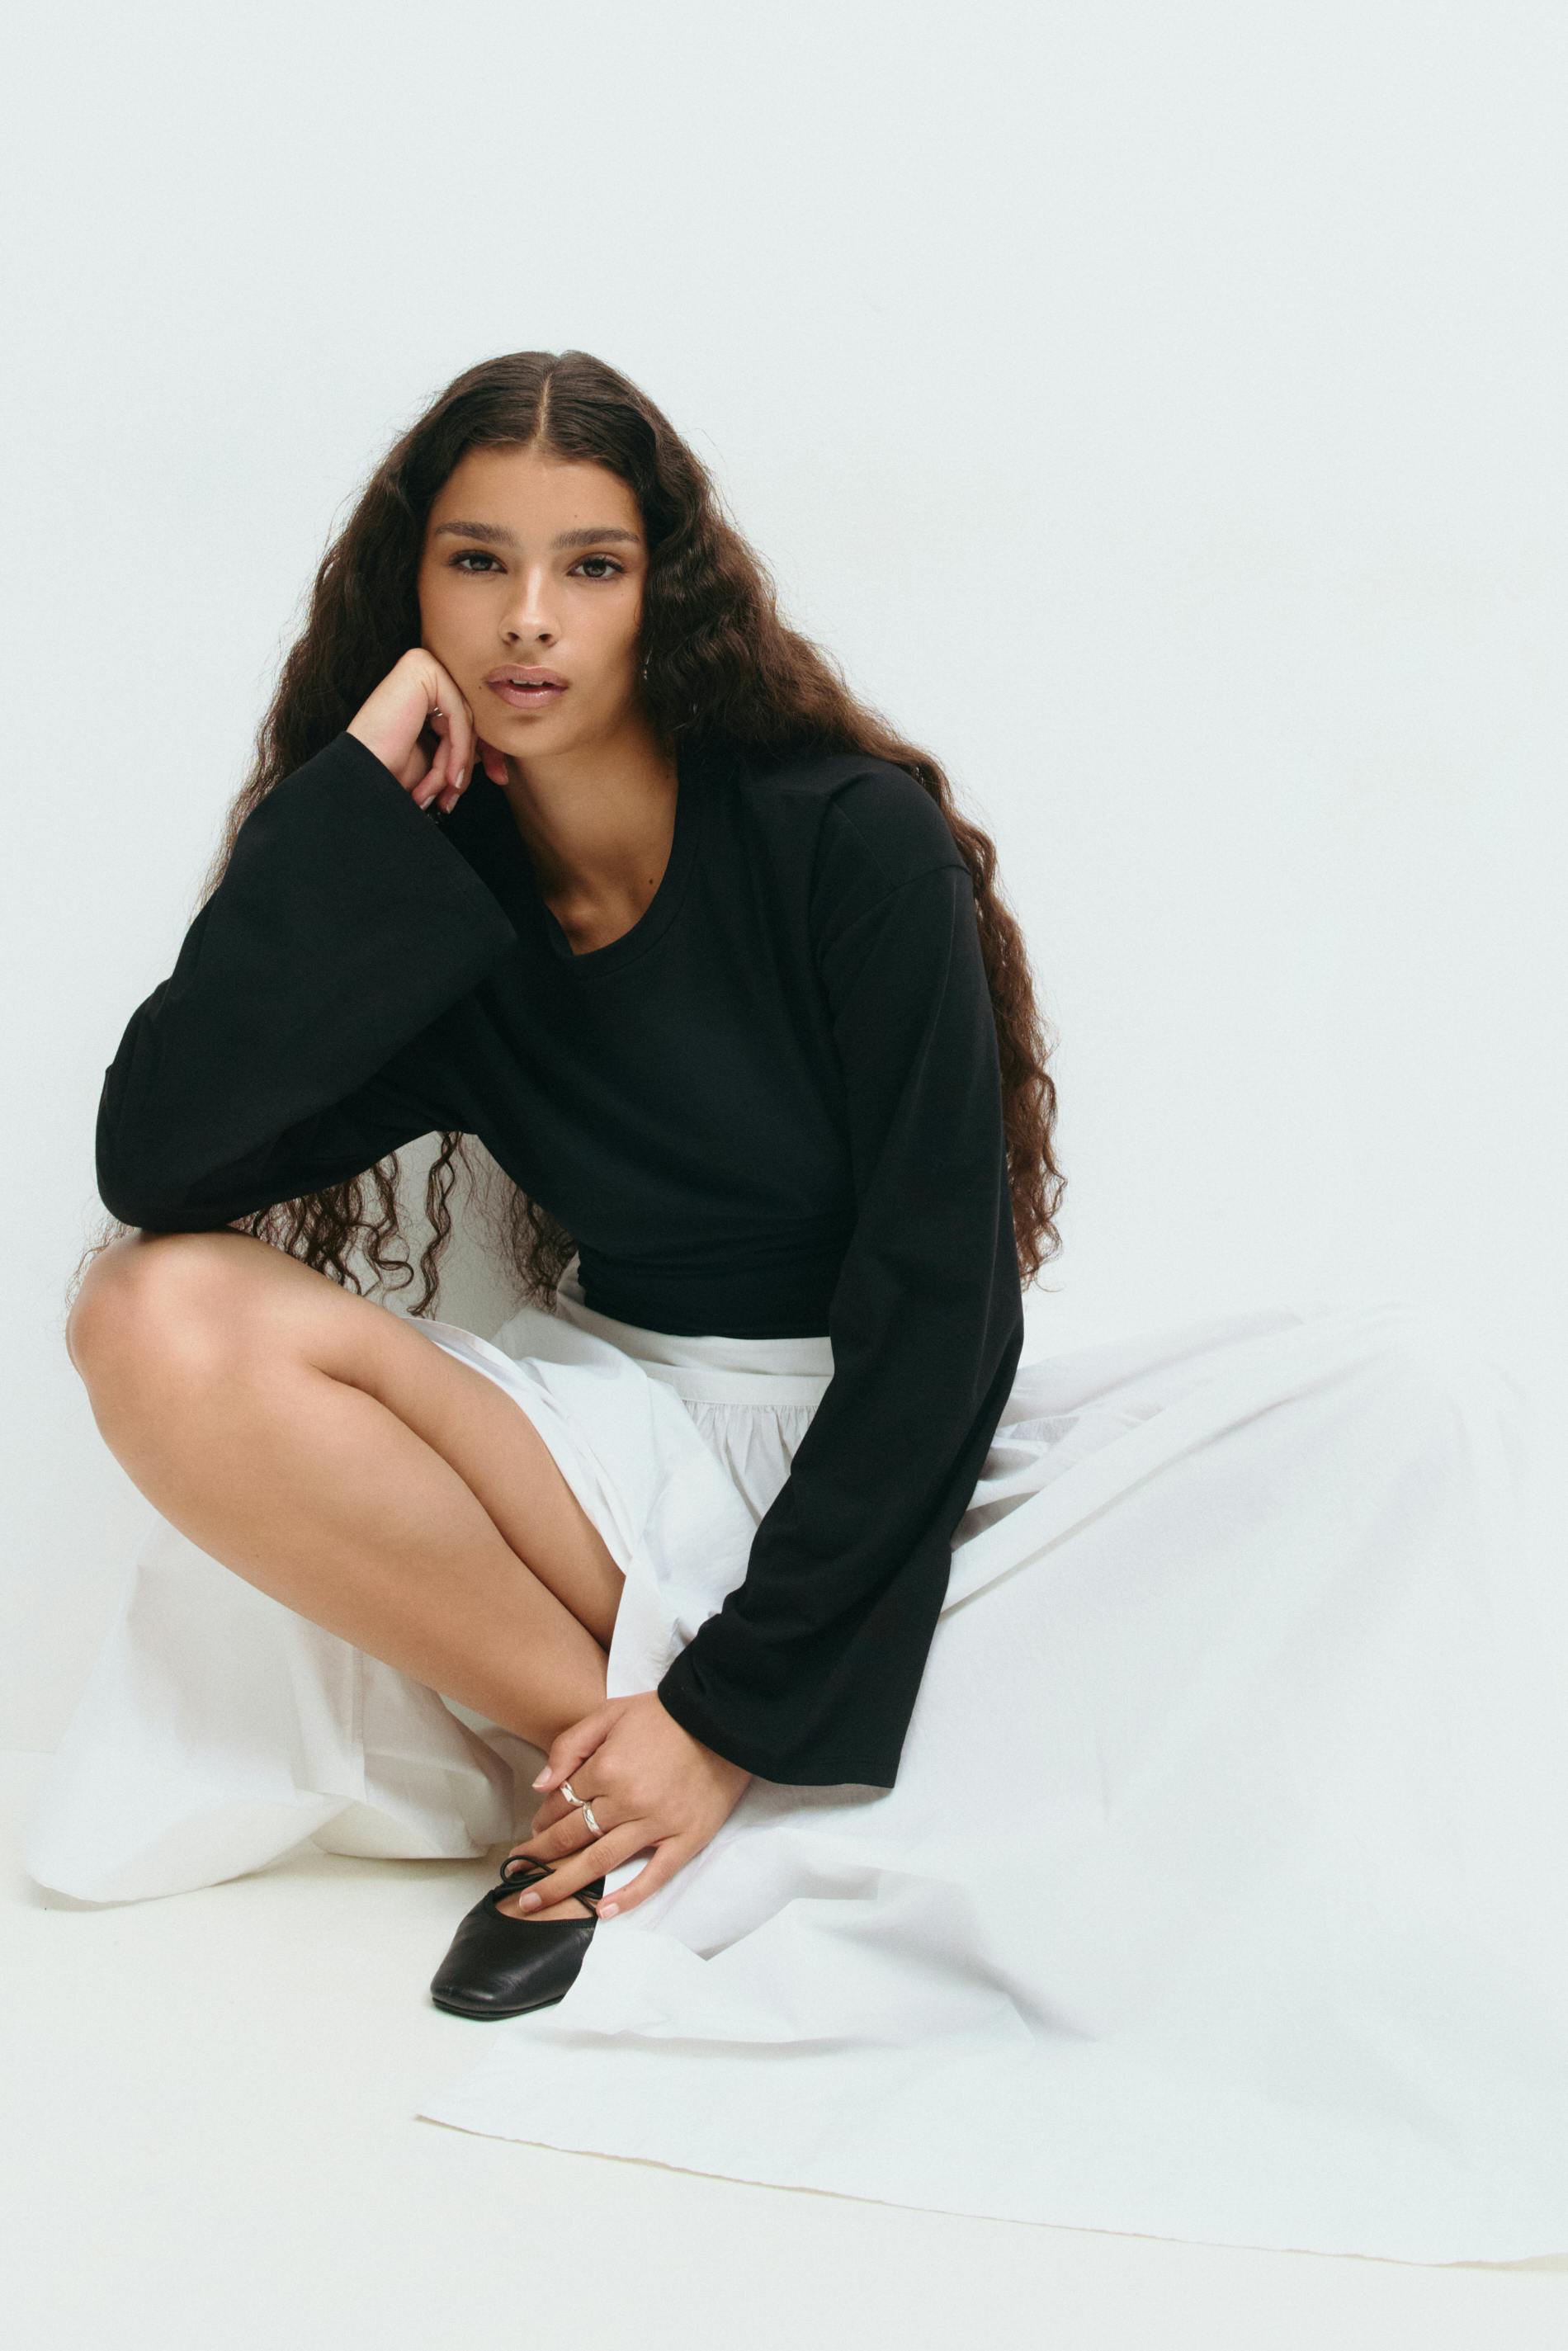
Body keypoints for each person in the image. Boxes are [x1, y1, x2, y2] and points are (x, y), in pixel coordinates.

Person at [31, 350, 1568, 2262]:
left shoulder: (839, 837)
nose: (527, 619)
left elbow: (942, 1302)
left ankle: (694, 1760)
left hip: (879, 1436)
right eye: (476, 562)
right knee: (152, 1314)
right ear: (406, 589)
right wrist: (347, 811)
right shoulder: (439, 896)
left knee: (1414, 1391)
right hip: (610, 1449)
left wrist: (739, 1697)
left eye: (589, 566)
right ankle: (623, 1779)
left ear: (661, 586)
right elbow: (162, 1161)